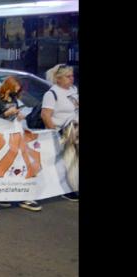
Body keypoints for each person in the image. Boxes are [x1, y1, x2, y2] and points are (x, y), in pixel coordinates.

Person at [0, 76, 42, 212]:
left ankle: (19, 194)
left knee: (19, 162)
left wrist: (17, 114)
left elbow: (12, 115)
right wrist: (9, 112)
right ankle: (1, 194)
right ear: (9, 86)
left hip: (15, 133)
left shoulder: (13, 99)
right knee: (6, 163)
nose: (17, 89)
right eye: (16, 87)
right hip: (3, 135)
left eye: (18, 87)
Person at [41, 64, 79, 201]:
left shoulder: (73, 90)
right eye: (68, 77)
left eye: (72, 76)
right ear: (58, 79)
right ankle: (71, 189)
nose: (71, 79)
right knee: (71, 161)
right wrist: (54, 133)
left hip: (75, 128)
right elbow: (45, 115)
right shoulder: (52, 94)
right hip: (63, 131)